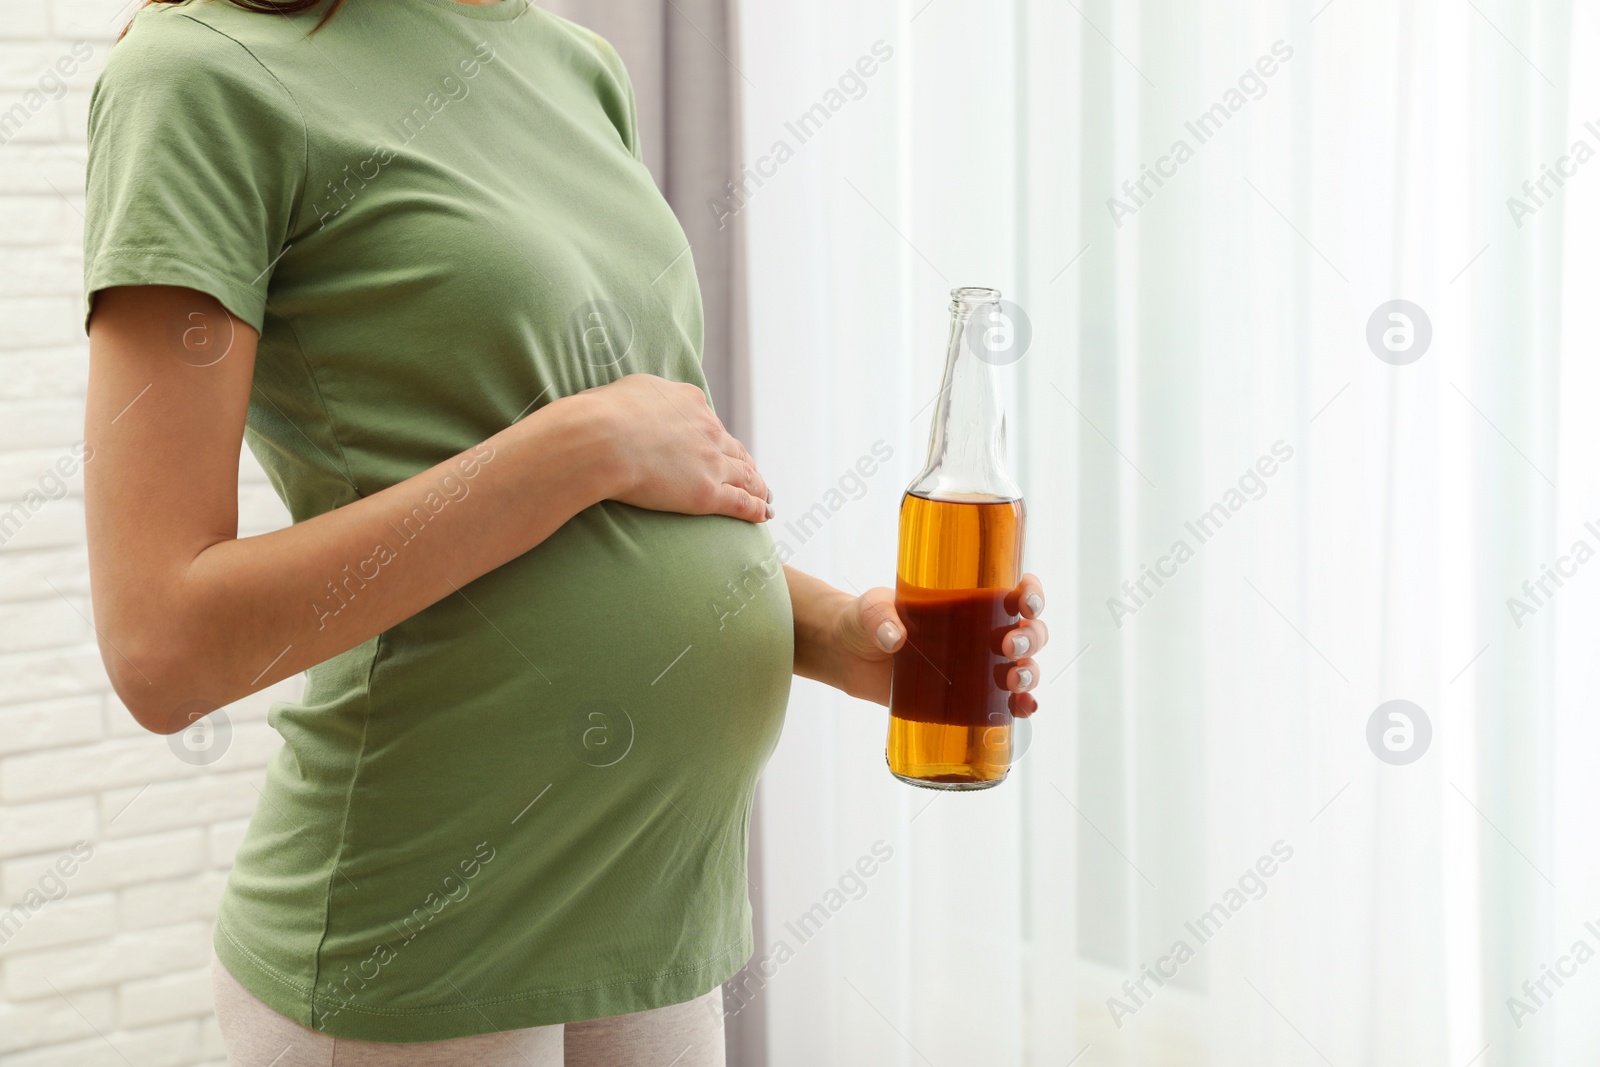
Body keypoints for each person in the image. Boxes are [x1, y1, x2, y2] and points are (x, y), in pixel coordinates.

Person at [81, 0, 1049, 1063]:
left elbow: (644, 488)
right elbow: (161, 645)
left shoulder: (574, 63)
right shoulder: (201, 78)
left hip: (656, 922)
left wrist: (837, 632)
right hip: (421, 940)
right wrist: (574, 448)